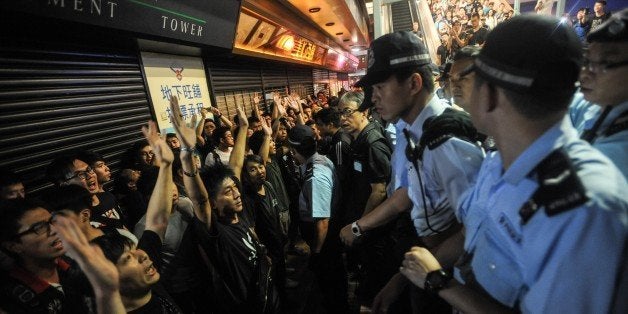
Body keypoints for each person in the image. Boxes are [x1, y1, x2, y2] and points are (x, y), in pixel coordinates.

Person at [394, 15, 628, 314]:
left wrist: (441, 283)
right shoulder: (499, 162)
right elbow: (471, 235)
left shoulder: (583, 207)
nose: (458, 91)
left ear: (489, 95)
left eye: (472, 81)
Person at [340, 30, 484, 313]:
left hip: (454, 276)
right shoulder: (411, 129)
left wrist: (415, 276)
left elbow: (475, 229)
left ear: (414, 83)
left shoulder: (446, 142)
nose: (374, 97)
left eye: (380, 86)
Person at [169, 96, 279, 314]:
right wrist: (186, 152)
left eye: (235, 189)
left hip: (268, 297)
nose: (237, 194)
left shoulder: (240, 213)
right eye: (228, 192)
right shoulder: (216, 231)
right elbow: (199, 199)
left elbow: (236, 164)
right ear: (213, 202)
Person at [92, 119, 182, 313]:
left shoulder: (153, 290)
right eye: (127, 258)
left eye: (135, 249)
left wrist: (166, 166)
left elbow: (158, 220)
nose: (142, 254)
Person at [287, 124, 349, 313]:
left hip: (325, 238)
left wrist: (317, 252)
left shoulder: (316, 177)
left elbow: (322, 222)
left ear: (293, 150)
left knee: (329, 279)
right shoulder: (321, 159)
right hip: (328, 232)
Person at [0, 198, 93, 313]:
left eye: (52, 221)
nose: (55, 230)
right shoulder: (12, 300)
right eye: (40, 228)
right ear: (13, 246)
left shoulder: (73, 261)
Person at [570, 8, 628, 179]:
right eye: (587, 60)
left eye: (606, 62)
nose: (584, 73)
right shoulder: (595, 103)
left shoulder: (618, 157)